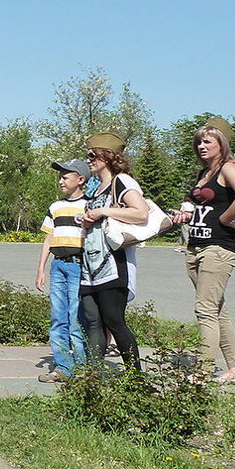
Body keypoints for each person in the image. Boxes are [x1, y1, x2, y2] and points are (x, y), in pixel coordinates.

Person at [169, 117, 235, 384]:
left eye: (208, 141)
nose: (201, 146)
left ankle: (203, 371)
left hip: (218, 247)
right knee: (217, 309)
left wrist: (225, 220)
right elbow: (200, 207)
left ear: (222, 143)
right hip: (196, 246)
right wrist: (184, 217)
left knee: (204, 309)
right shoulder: (203, 174)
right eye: (199, 142)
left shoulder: (228, 168)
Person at [78, 132, 149, 370]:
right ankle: (92, 379)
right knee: (93, 321)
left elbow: (141, 213)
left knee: (113, 320)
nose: (88, 159)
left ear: (107, 156)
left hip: (114, 263)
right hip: (91, 265)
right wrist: (88, 220)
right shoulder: (96, 188)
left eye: (92, 155)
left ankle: (136, 379)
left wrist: (103, 213)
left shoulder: (123, 182)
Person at [35, 159, 90, 382]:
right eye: (60, 177)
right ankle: (62, 368)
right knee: (58, 317)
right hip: (58, 266)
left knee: (77, 318)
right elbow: (49, 238)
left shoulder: (90, 205)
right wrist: (41, 269)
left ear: (81, 180)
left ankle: (82, 368)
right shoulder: (56, 207)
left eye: (65, 177)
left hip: (79, 266)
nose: (61, 181)